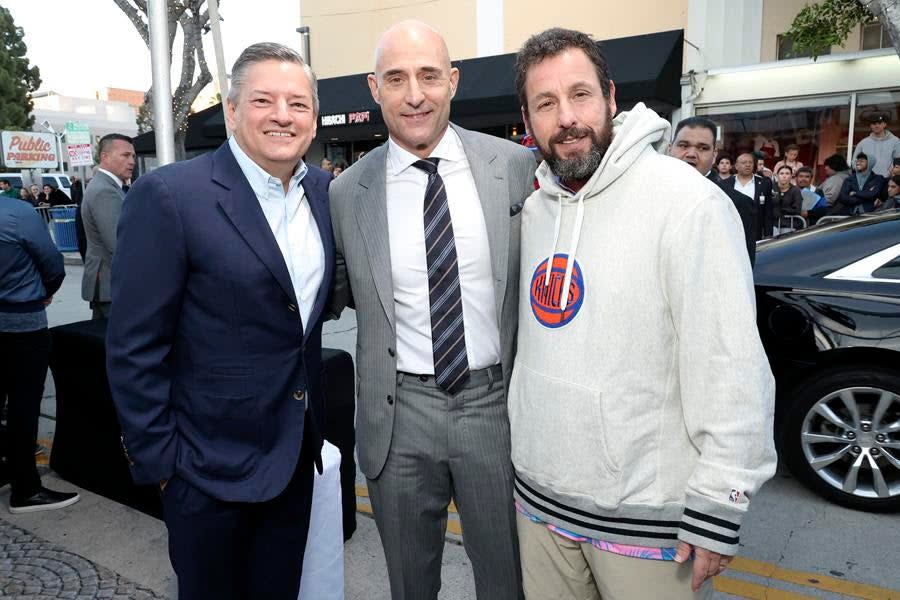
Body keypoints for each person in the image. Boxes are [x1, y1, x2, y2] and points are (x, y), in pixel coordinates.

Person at [511, 28, 776, 600]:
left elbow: (729, 363)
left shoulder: (688, 203)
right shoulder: (535, 209)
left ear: (610, 97)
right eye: (546, 104)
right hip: (539, 504)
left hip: (647, 520)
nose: (567, 119)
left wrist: (721, 503)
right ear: (528, 121)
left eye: (580, 95)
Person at [106, 43, 332, 600]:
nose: (283, 114)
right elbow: (134, 347)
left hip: (292, 464)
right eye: (264, 99)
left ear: (314, 118)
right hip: (204, 474)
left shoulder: (325, 194)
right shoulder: (171, 196)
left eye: (298, 103)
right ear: (232, 111)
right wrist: (165, 467)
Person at [328, 20, 535, 600]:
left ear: (453, 81)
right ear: (374, 88)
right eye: (396, 78)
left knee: (507, 579)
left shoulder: (515, 168)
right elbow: (327, 290)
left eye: (427, 76)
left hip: (494, 406)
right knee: (409, 584)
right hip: (398, 413)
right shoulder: (347, 193)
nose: (414, 94)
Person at [0, 191, 80, 513]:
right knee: (24, 407)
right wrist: (43, 294)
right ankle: (25, 489)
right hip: (22, 324)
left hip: (20, 318)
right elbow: (53, 264)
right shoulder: (16, 213)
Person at [669, 116, 755, 265]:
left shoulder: (736, 203)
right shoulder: (650, 196)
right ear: (669, 149)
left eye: (703, 148)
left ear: (714, 155)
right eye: (683, 145)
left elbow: (742, 270)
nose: (691, 154)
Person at [80, 133, 135, 319]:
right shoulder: (105, 191)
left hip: (110, 286)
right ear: (105, 157)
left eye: (133, 156)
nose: (132, 161)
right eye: (125, 155)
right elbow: (120, 245)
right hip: (111, 286)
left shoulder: (109, 187)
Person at [720, 152, 773, 240]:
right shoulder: (725, 184)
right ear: (736, 166)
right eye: (744, 163)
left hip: (755, 229)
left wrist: (768, 234)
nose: (748, 165)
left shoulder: (764, 183)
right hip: (731, 228)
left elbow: (768, 210)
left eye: (750, 162)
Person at [854, 112, 900, 177]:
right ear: (870, 126)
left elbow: (898, 160)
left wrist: (893, 172)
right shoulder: (863, 143)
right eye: (873, 123)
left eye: (879, 123)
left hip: (887, 180)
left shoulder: (895, 141)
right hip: (868, 181)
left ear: (884, 124)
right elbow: (855, 162)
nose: (876, 126)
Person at [771, 164, 803, 234]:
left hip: (789, 224)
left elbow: (797, 209)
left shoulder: (795, 190)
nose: (784, 176)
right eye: (781, 173)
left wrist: (781, 210)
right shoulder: (771, 187)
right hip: (772, 223)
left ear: (791, 176)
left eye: (787, 173)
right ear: (777, 175)